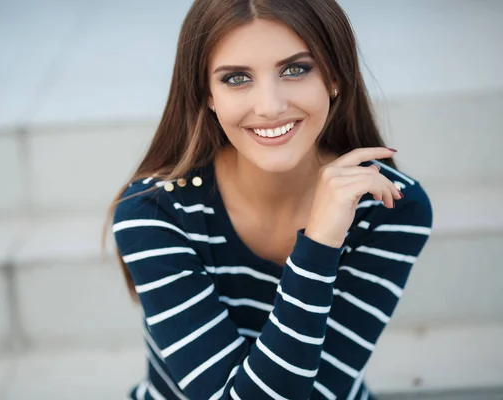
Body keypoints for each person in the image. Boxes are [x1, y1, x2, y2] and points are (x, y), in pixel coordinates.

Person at [108, 0, 433, 398]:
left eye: (296, 69)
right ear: (208, 94)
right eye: (236, 78)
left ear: (334, 76)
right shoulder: (156, 212)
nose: (270, 106)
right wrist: (318, 245)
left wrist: (327, 237)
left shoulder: (388, 206)